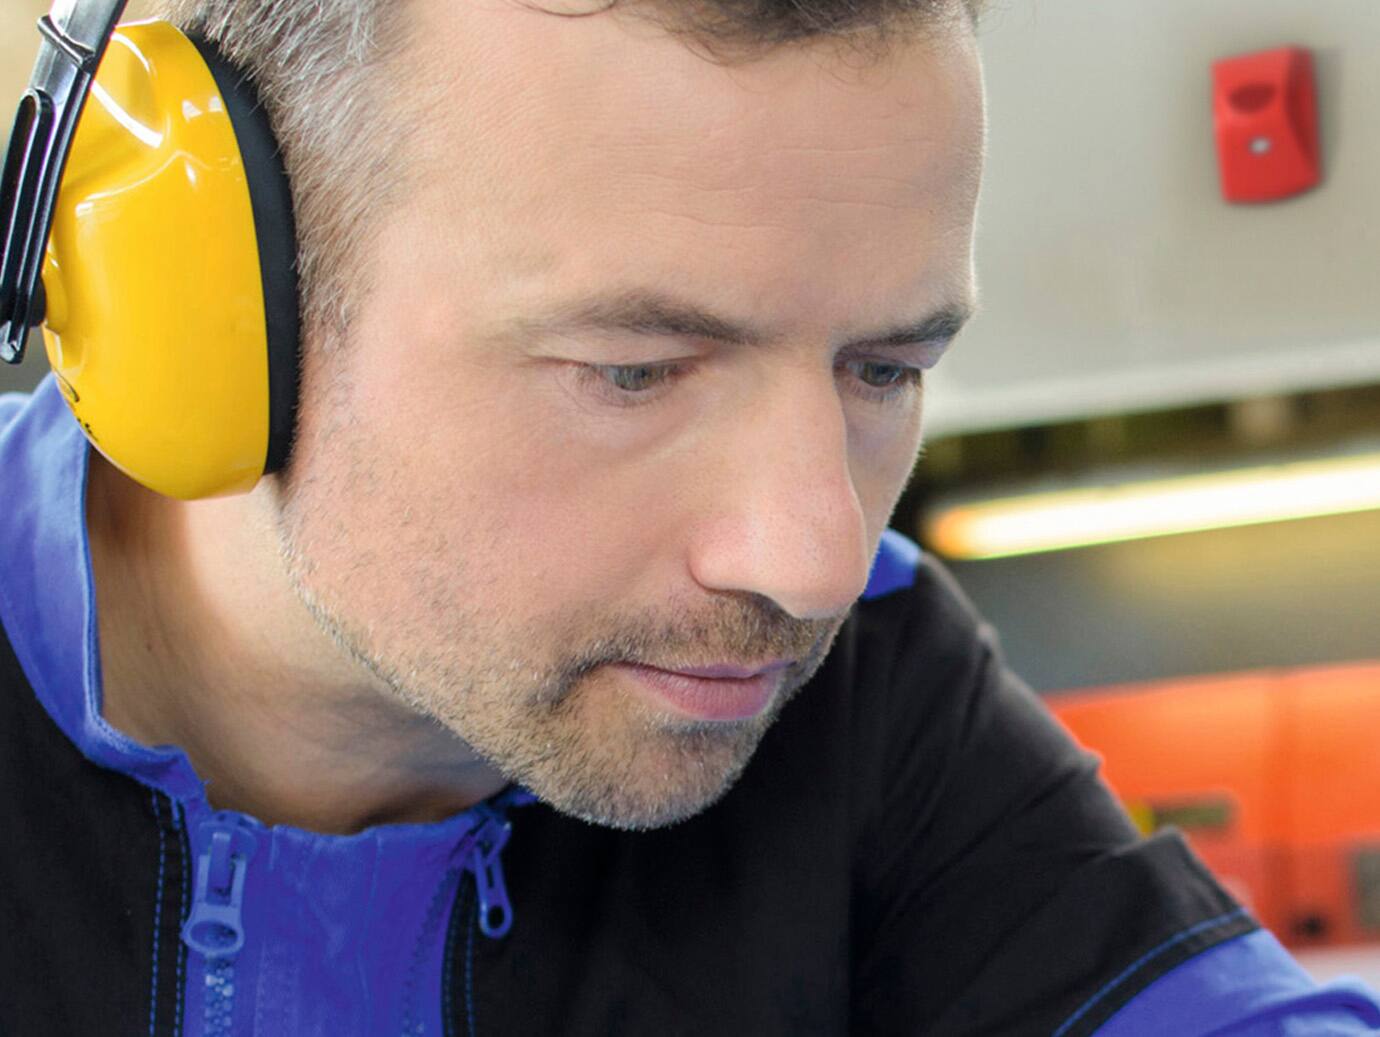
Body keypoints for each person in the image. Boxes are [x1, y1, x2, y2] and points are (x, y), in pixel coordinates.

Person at [1, 0, 1378, 1033]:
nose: (816, 560)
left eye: (885, 370)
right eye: (635, 371)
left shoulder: (874, 694)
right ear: (201, 308)